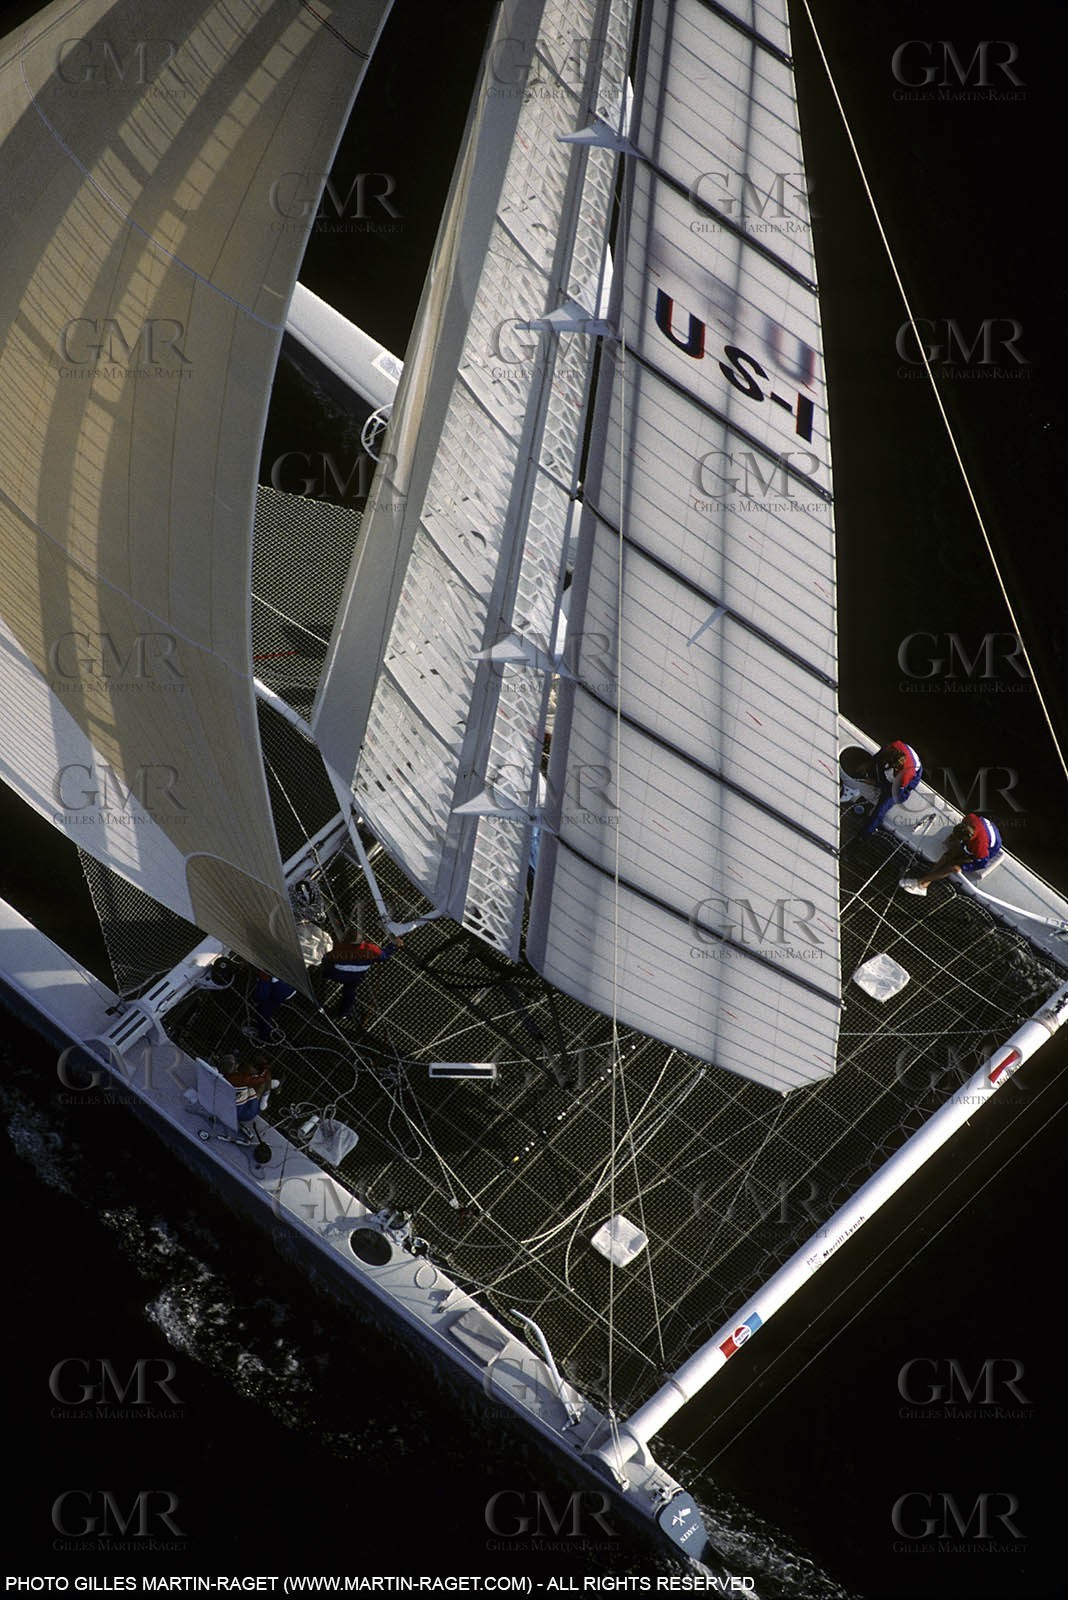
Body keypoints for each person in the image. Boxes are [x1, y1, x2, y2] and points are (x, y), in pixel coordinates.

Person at [900, 812, 1003, 895]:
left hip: (988, 850)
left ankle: (921, 882)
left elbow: (981, 863)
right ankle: (924, 884)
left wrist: (965, 867)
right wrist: (954, 838)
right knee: (948, 855)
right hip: (978, 835)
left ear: (968, 839)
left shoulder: (979, 845)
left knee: (953, 867)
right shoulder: (969, 818)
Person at [321, 930, 402, 1018]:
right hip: (354, 977)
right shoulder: (371, 949)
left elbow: (328, 957)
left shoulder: (341, 947)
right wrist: (394, 945)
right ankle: (343, 1013)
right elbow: (384, 956)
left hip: (336, 973)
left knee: (325, 966)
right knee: (350, 992)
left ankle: (318, 977)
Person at [862, 740, 922, 835]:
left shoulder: (905, 775)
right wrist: (868, 764)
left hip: (914, 771)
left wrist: (876, 783)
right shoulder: (892, 747)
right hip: (906, 752)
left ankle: (866, 833)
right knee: (878, 768)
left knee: (884, 805)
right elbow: (880, 755)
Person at [219, 1053, 277, 1122]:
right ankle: (263, 1101)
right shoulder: (241, 1078)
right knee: (256, 1087)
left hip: (235, 1108)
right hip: (242, 1112)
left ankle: (263, 1100)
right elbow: (262, 1082)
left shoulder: (233, 1076)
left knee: (259, 1085)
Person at [251, 973, 296, 1042]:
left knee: (263, 1008)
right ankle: (263, 1035)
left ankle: (263, 1036)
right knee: (264, 1009)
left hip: (283, 989)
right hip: (287, 987)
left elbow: (261, 995)